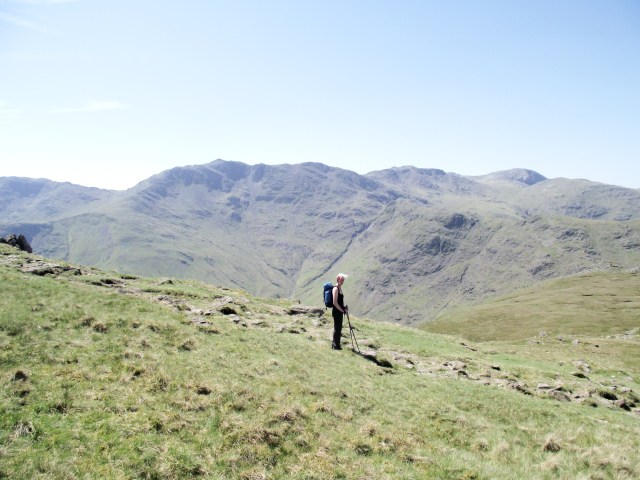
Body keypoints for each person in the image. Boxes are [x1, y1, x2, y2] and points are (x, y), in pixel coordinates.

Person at [331, 273, 348, 350]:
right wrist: (342, 310)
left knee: (339, 328)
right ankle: (336, 346)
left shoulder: (340, 289)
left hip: (340, 311)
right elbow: (335, 302)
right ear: (338, 279)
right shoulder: (335, 289)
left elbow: (340, 302)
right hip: (336, 312)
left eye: (343, 280)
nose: (342, 281)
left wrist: (343, 308)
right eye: (341, 279)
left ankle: (335, 344)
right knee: (337, 328)